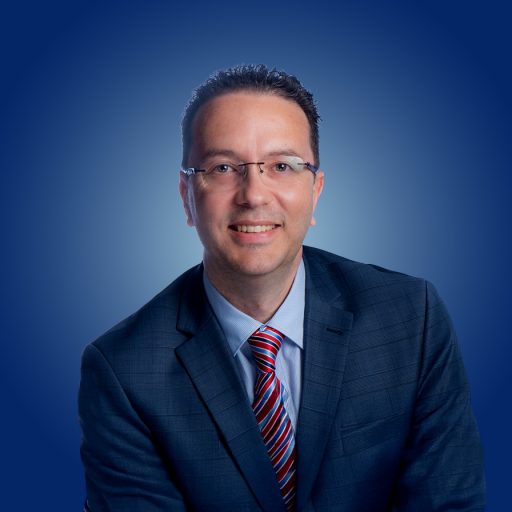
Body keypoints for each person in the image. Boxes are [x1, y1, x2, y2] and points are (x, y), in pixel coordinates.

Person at [79, 64, 485, 511]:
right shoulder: (123, 371)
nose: (254, 194)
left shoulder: (410, 318)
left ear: (316, 190)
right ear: (187, 196)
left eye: (282, 166)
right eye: (223, 167)